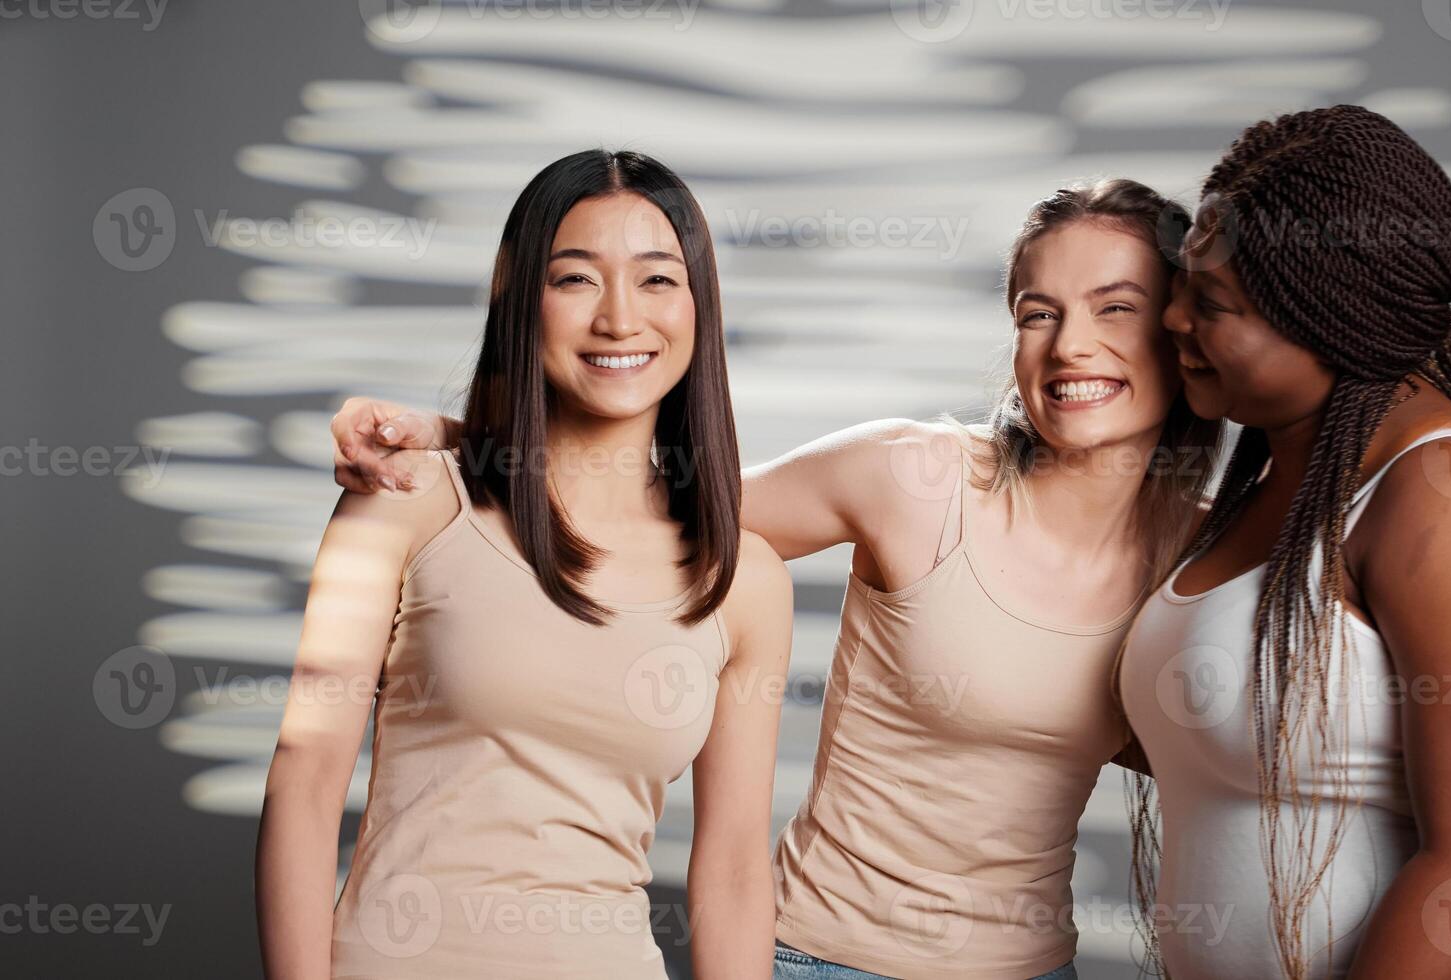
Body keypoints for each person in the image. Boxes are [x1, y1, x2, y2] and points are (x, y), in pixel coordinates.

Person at [327, 178, 1222, 978]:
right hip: (823, 960)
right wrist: (458, 442)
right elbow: (655, 507)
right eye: (1037, 312)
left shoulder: (1205, 564)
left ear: (1182, 330)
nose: (1072, 346)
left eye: (1115, 309)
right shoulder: (916, 480)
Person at [255, 149, 793, 979]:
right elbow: (305, 776)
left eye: (657, 280)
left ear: (699, 307)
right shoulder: (405, 500)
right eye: (576, 279)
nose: (620, 318)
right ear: (521, 302)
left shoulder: (744, 581)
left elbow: (730, 875)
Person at [1115, 105, 1451, 979]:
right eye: (1183, 284)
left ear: (1329, 323)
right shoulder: (1269, 492)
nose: (1172, 319)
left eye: (1210, 303)